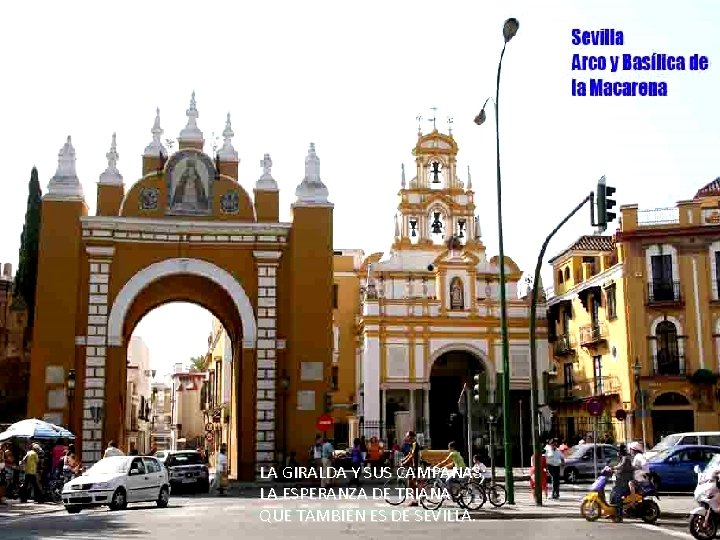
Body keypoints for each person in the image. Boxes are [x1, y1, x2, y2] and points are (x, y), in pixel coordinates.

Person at [610, 443, 635, 523]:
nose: (617, 453)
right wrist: (613, 469)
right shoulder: (622, 458)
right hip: (622, 481)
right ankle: (613, 513)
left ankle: (620, 516)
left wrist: (613, 468)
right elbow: (619, 466)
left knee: (617, 497)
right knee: (613, 494)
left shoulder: (625, 458)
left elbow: (621, 466)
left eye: (618, 451)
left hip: (625, 482)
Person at [400, 431, 420, 507]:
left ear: (411, 437)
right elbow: (409, 454)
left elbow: (412, 456)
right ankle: (416, 498)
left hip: (415, 466)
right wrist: (404, 460)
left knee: (412, 483)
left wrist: (405, 462)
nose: (407, 438)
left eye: (408, 436)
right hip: (412, 466)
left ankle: (415, 500)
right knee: (411, 483)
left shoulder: (415, 444)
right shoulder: (412, 444)